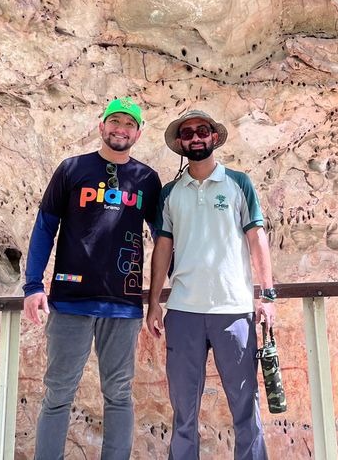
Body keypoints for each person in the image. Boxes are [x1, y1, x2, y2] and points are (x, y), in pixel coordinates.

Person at [23, 97, 162, 460]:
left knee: (118, 394)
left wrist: (164, 295)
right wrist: (33, 285)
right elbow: (44, 228)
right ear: (101, 126)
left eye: (129, 124)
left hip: (124, 304)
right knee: (57, 394)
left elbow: (165, 238)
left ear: (139, 132)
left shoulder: (147, 179)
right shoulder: (72, 170)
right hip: (70, 300)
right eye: (114, 122)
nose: (121, 129)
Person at [146, 109, 276, 460]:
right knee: (183, 412)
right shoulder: (171, 192)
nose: (195, 138)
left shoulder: (239, 183)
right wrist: (154, 301)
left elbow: (257, 238)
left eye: (202, 131)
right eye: (187, 133)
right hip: (184, 312)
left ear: (214, 137)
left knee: (245, 409)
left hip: (233, 311)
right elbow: (163, 247)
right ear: (180, 144)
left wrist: (267, 295)